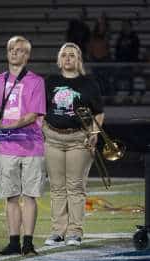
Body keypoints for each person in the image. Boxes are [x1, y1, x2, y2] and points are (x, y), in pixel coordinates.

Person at [43, 42, 104, 246]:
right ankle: (57, 231)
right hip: (52, 138)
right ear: (60, 60)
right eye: (65, 55)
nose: (68, 58)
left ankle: (74, 232)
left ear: (78, 60)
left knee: (76, 187)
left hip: (79, 138)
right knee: (57, 187)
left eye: (72, 55)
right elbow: (40, 109)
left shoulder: (89, 83)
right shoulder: (50, 81)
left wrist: (95, 132)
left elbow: (99, 113)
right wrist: (42, 128)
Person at [0, 36, 46, 256]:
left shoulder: (36, 81)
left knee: (30, 196)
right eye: (11, 49)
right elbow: (2, 110)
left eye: (20, 50)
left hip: (31, 144)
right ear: (7, 53)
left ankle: (28, 243)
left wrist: (9, 126)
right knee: (11, 196)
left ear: (27, 55)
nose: (14, 53)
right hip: (7, 146)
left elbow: (33, 115)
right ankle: (14, 243)